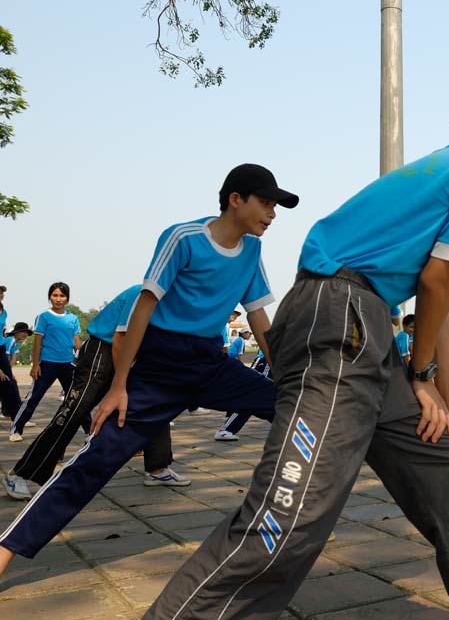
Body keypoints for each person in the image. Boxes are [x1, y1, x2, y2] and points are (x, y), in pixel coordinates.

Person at [140, 89, 449, 620]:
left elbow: (438, 299)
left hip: (366, 323)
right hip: (340, 320)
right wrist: (422, 374)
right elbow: (438, 279)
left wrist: (445, 399)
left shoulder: (442, 168)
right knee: (292, 513)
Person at [0, 163, 296, 578]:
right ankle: (6, 552)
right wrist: (119, 385)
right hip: (160, 368)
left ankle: (295, 514)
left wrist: (283, 372)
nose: (272, 214)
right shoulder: (184, 238)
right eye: (266, 203)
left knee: (297, 405)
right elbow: (145, 305)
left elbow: (258, 316)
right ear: (236, 199)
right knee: (94, 463)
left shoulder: (251, 250)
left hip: (211, 364)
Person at [3, 286, 187, 502]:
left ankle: (158, 469)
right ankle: (20, 473)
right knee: (74, 411)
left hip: (133, 354)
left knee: (155, 401)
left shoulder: (176, 302)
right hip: (102, 351)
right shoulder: (145, 294)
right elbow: (121, 337)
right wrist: (120, 383)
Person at [10, 282, 81, 442]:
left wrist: (82, 362)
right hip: (47, 364)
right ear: (50, 297)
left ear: (67, 298)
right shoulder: (44, 317)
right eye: (55, 295)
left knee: (76, 399)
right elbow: (38, 342)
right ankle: (16, 429)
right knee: (34, 398)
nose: (58, 299)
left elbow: (77, 342)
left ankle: (90, 431)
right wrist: (35, 365)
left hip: (68, 365)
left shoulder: (73, 318)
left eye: (62, 296)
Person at [214, 326, 260, 442]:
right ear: (243, 333)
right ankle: (227, 428)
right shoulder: (240, 340)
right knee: (252, 395)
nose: (249, 336)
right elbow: (238, 354)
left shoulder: (239, 340)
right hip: (234, 362)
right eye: (248, 333)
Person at [1, 322, 31, 424]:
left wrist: (10, 373)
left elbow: (13, 358)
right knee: (12, 390)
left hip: (4, 370)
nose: (25, 334)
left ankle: (7, 411)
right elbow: (3, 358)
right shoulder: (10, 340)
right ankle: (19, 417)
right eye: (22, 332)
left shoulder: (15, 342)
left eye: (27, 332)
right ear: (16, 333)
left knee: (10, 388)